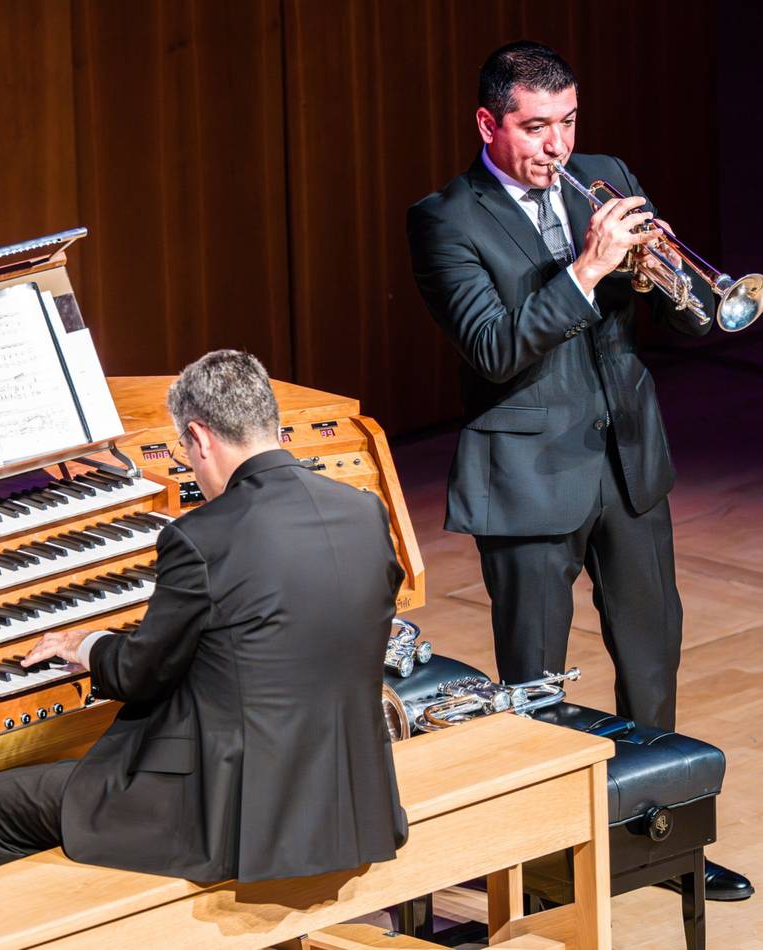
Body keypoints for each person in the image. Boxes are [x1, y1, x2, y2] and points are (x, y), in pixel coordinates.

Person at [407, 40, 752, 900]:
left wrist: (686, 289)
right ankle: (548, 867)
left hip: (628, 460)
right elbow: (491, 349)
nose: (556, 146)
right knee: (534, 680)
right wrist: (590, 266)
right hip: (525, 475)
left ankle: (662, 841)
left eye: (566, 122)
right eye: (534, 128)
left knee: (652, 659)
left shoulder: (603, 171)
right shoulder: (446, 218)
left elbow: (673, 321)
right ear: (489, 124)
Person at [0, 349, 407, 883]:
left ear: (200, 437)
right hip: (350, 791)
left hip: (228, 813)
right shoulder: (362, 511)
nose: (189, 465)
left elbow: (140, 675)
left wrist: (86, 643)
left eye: (183, 453)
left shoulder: (201, 537)